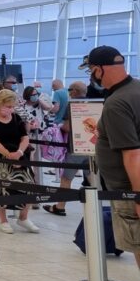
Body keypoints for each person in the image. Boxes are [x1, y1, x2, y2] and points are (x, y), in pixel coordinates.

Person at [81, 47, 140, 274]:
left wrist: (137, 196)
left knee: (138, 246)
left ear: (98, 70)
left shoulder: (117, 103)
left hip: (127, 187)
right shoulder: (135, 89)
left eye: (91, 71)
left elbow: (133, 153)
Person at [0, 89, 39, 234]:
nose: (10, 109)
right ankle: (3, 219)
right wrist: (8, 154)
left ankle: (23, 217)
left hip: (19, 156)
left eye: (12, 106)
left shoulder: (16, 118)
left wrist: (19, 152)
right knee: (0, 188)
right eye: (8, 106)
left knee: (30, 185)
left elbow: (24, 137)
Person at [44, 81, 89, 216]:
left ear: (74, 91)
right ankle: (95, 206)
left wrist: (59, 127)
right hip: (92, 146)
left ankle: (60, 206)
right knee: (91, 178)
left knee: (66, 178)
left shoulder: (73, 105)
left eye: (69, 90)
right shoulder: (94, 103)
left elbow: (68, 127)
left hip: (76, 146)